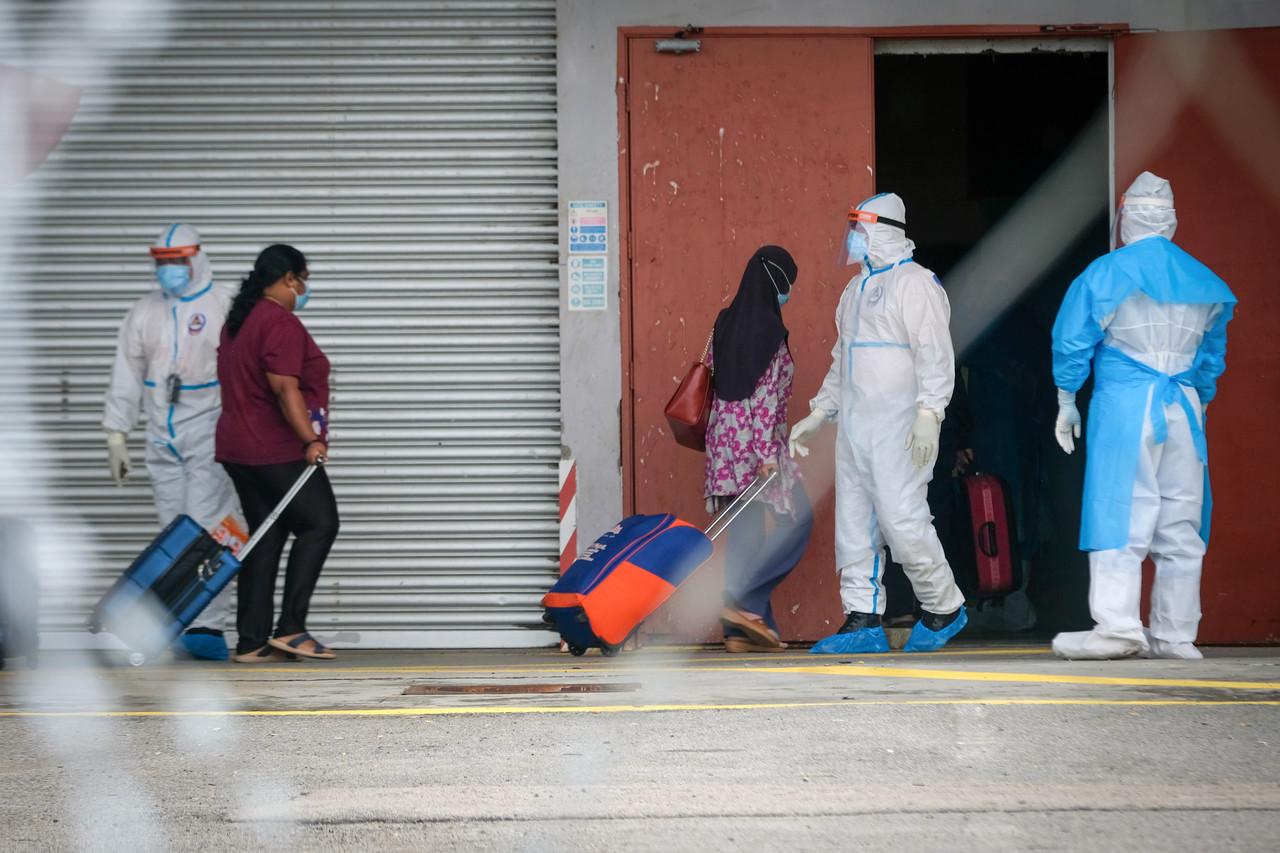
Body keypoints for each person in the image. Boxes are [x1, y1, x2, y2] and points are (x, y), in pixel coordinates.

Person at [1049, 172, 1235, 661]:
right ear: (1171, 220)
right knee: (1181, 522)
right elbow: (1211, 357)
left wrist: (1067, 397)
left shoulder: (1107, 273)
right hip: (1184, 408)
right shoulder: (1204, 281)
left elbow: (1073, 339)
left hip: (1126, 405)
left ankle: (1118, 627)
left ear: (1126, 216)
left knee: (1121, 512)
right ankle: (1176, 635)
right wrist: (1203, 400)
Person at [789, 193, 967, 653]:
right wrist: (818, 412)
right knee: (854, 523)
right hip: (854, 431)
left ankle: (943, 604)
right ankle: (863, 617)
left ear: (883, 232)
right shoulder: (853, 292)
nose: (853, 240)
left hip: (901, 429)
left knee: (903, 519)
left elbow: (935, 355)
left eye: (860, 231)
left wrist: (930, 412)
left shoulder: (916, 285)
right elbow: (840, 363)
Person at [103, 223, 240, 661]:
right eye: (162, 263)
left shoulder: (223, 307)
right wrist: (116, 434)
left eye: (177, 262)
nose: (170, 271)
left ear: (196, 259)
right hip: (162, 435)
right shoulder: (144, 313)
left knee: (207, 529)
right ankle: (174, 622)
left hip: (209, 429)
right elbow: (124, 375)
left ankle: (208, 626)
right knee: (173, 536)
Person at [216, 244, 340, 663]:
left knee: (267, 534)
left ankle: (251, 640)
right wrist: (310, 440)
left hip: (237, 446)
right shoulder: (278, 321)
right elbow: (284, 387)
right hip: (274, 446)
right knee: (321, 523)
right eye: (303, 279)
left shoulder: (240, 320)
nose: (304, 288)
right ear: (290, 278)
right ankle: (291, 627)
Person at [703, 246, 814, 653]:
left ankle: (740, 634)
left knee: (746, 535)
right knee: (797, 520)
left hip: (723, 446)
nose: (789, 292)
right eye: (788, 283)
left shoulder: (725, 322)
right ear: (774, 281)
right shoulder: (770, 330)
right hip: (757, 448)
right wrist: (767, 455)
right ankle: (745, 604)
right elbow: (765, 400)